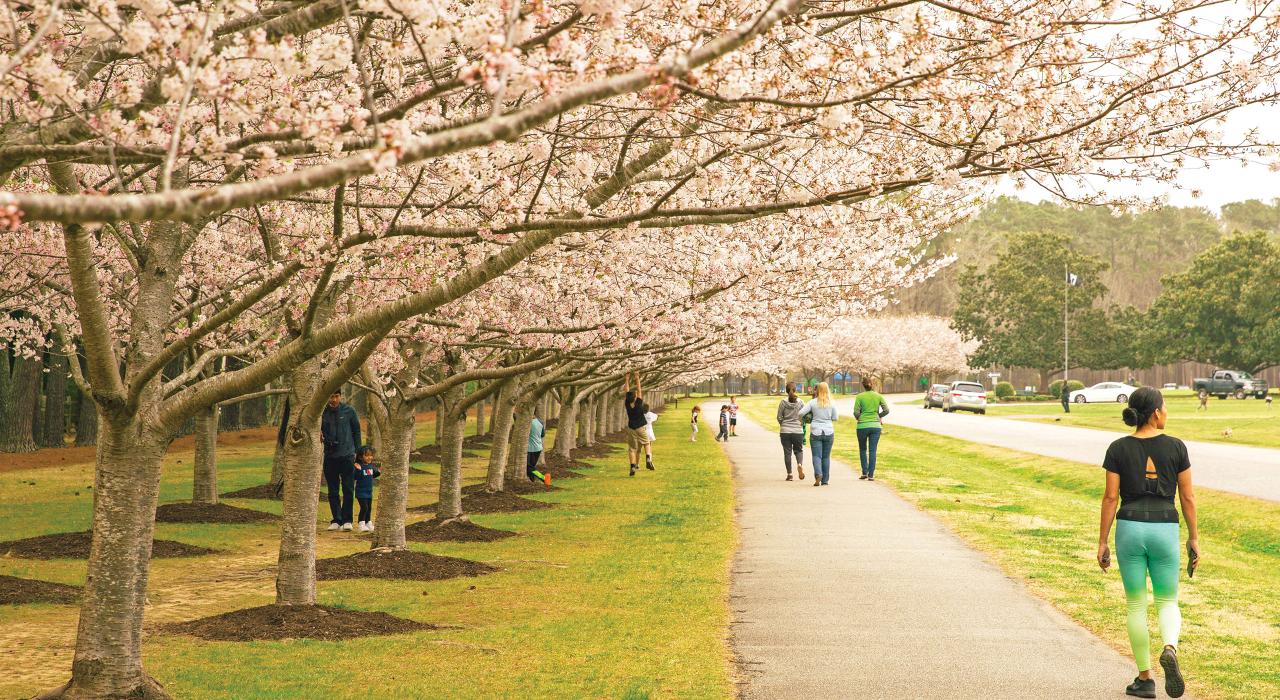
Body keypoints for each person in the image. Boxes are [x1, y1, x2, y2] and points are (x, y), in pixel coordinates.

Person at [1097, 388, 1198, 700]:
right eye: (1165, 407)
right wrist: (1193, 538)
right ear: (1156, 412)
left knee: (1136, 604)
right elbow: (1188, 497)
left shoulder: (1117, 448)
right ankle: (1170, 646)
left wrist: (1102, 541)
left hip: (1129, 526)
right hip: (1164, 526)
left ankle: (1145, 679)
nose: (1166, 412)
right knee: (1167, 601)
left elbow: (1110, 497)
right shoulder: (1176, 447)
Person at [321, 390, 361, 531]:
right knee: (333, 490)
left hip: (347, 456)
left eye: (336, 396)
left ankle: (347, 520)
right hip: (330, 457)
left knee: (348, 489)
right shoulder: (322, 412)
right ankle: (336, 520)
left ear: (340, 396)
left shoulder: (349, 411)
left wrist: (358, 453)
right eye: (331, 396)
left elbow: (356, 431)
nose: (333, 399)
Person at [798, 382, 838, 486]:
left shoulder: (812, 402)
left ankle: (818, 474)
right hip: (829, 431)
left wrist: (802, 420)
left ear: (817, 390)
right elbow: (835, 418)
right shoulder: (832, 403)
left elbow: (800, 413)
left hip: (816, 431)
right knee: (826, 457)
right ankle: (825, 480)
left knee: (816, 455)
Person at [853, 378, 890, 481]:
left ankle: (864, 472)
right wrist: (878, 416)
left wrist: (859, 417)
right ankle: (871, 475)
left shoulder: (859, 397)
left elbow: (856, 413)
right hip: (875, 426)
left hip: (862, 426)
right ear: (872, 385)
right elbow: (886, 410)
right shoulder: (878, 396)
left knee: (863, 449)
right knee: (873, 450)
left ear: (863, 386)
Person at [623, 372, 654, 476]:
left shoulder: (627, 403)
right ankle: (648, 458)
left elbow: (626, 391)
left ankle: (632, 467)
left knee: (632, 449)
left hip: (631, 428)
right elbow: (639, 390)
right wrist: (637, 378)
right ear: (636, 397)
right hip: (641, 427)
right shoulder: (639, 403)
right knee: (646, 443)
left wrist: (626, 379)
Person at [776, 383, 806, 481]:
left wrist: (783, 424)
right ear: (795, 390)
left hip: (785, 431)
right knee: (799, 450)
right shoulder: (801, 402)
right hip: (797, 430)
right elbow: (804, 416)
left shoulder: (783, 402)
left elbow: (779, 417)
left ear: (786, 390)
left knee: (787, 452)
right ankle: (799, 464)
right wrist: (800, 423)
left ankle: (789, 474)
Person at [352, 445, 380, 532]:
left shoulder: (370, 466)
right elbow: (355, 477)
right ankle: (361, 523)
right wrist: (358, 470)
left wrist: (379, 471)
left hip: (369, 492)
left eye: (371, 455)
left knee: (369, 508)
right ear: (360, 456)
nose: (369, 457)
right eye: (367, 455)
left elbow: (374, 474)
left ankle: (368, 523)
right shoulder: (358, 466)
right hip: (361, 492)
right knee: (364, 508)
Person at [527, 412, 550, 486]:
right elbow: (542, 434)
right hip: (538, 448)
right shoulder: (540, 421)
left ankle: (544, 478)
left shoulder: (528, 423)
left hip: (530, 449)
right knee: (531, 467)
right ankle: (532, 481)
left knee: (529, 468)